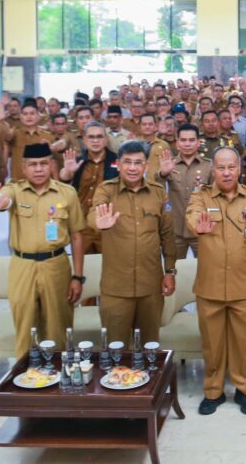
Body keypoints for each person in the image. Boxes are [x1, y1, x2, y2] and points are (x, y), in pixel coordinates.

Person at [186, 147, 246, 416]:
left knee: (244, 342)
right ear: (212, 170)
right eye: (221, 168)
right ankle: (213, 392)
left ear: (239, 169)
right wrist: (196, 227)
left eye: (231, 167)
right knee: (212, 343)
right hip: (210, 285)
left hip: (244, 284)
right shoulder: (200, 197)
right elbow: (191, 217)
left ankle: (243, 389)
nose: (226, 172)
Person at [0, 143, 86, 361]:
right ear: (23, 168)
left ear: (52, 165)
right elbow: (4, 200)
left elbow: (76, 236)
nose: (38, 169)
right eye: (33, 165)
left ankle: (58, 378)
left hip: (56, 266)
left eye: (44, 164)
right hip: (22, 266)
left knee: (59, 326)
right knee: (25, 324)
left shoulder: (67, 193)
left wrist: (78, 277)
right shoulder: (15, 190)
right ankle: (24, 378)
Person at [89, 140, 176, 344]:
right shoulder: (106, 190)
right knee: (115, 350)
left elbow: (167, 235)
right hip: (116, 289)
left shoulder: (158, 192)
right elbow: (93, 214)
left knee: (150, 348)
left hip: (151, 287)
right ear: (118, 164)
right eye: (127, 162)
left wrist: (170, 272)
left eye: (138, 163)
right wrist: (99, 223)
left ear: (146, 166)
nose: (133, 168)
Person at [59, 121, 117, 255]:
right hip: (81, 226)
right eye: (91, 137)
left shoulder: (118, 161)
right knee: (83, 268)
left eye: (99, 136)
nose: (95, 140)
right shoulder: (76, 162)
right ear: (84, 140)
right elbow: (63, 180)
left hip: (109, 226)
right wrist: (68, 172)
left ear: (105, 139)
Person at [158, 123, 213, 259]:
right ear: (177, 143)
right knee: (173, 271)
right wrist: (163, 173)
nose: (187, 144)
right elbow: (155, 189)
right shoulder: (169, 164)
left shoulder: (208, 166)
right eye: (183, 140)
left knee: (205, 269)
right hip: (175, 229)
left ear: (198, 143)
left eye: (191, 140)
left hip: (200, 229)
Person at [7, 101, 58, 182]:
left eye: (32, 113)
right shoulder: (15, 134)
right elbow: (6, 137)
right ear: (21, 117)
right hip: (18, 184)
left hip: (41, 183)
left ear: (38, 116)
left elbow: (53, 163)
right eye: (25, 114)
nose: (29, 116)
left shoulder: (48, 137)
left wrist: (56, 182)